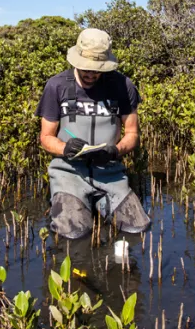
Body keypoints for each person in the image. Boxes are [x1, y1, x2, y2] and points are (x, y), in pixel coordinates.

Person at [35, 28, 151, 239]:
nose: (90, 74)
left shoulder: (123, 86)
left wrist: (115, 151)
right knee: (73, 234)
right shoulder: (57, 86)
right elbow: (45, 137)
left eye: (96, 70)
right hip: (68, 172)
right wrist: (65, 148)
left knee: (137, 229)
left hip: (110, 173)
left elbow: (132, 133)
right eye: (85, 69)